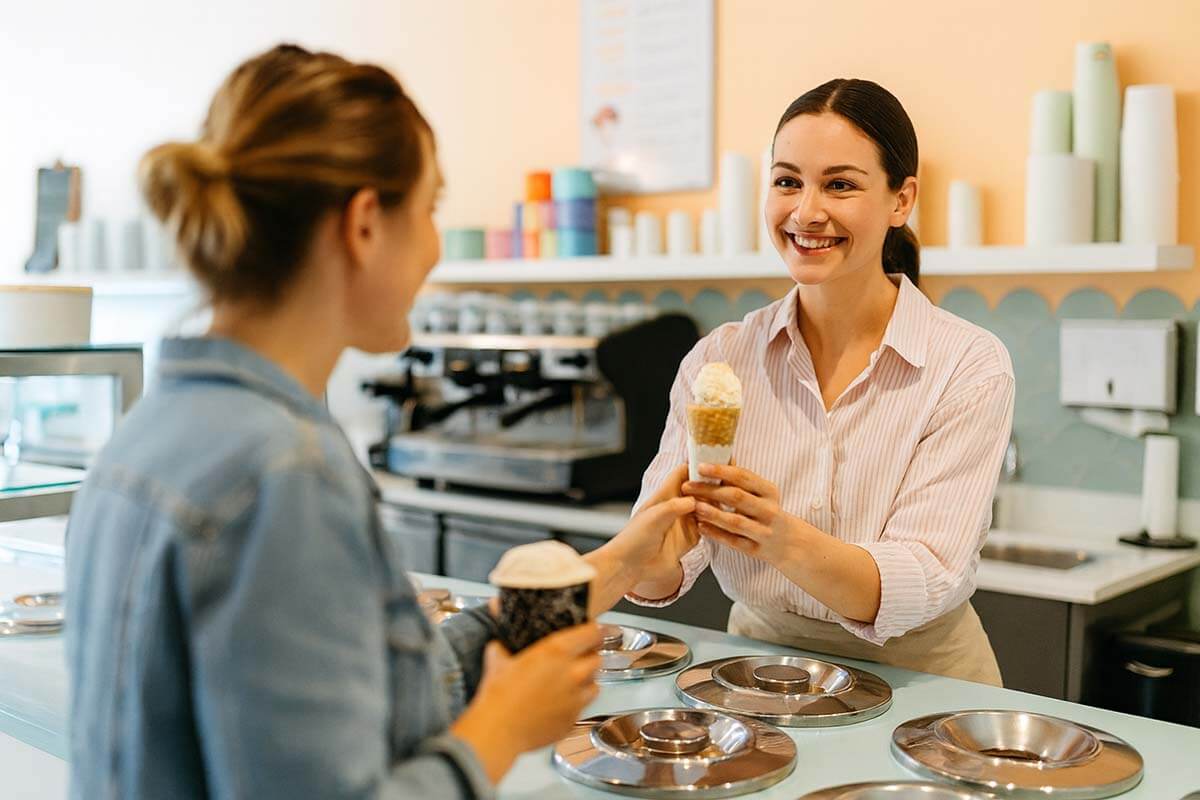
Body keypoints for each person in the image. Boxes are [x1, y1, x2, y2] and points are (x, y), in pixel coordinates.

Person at [64, 44, 694, 799]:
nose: (434, 244)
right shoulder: (283, 473)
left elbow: (358, 694)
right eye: (429, 208)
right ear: (365, 223)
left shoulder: (151, 432)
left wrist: (619, 560)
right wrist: (499, 728)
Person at [628, 79, 1014, 685]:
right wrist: (651, 555)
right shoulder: (721, 360)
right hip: (760, 670)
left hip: (921, 682)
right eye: (787, 181)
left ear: (900, 200)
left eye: (840, 184)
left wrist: (780, 539)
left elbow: (924, 574)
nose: (807, 211)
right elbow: (662, 572)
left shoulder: (967, 364)